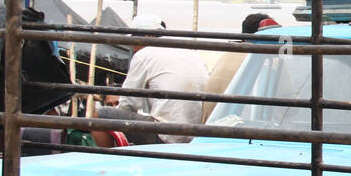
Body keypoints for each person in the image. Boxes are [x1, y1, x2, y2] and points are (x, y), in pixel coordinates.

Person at [96, 16, 209, 145]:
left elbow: (127, 103)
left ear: (148, 35)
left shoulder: (145, 54)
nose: (133, 48)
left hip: (167, 136)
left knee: (100, 116)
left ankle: (110, 159)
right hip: (197, 135)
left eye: (134, 41)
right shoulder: (189, 51)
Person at [201, 13, 280, 121]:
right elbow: (291, 107)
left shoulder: (227, 54)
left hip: (210, 128)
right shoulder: (268, 60)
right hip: (241, 130)